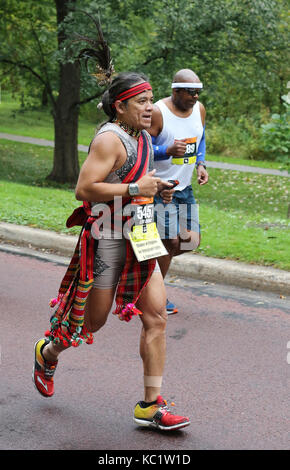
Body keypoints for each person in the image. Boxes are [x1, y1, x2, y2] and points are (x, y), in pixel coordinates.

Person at [32, 72, 190, 431]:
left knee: (156, 317)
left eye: (152, 100)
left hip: (143, 235)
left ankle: (150, 406)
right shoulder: (110, 139)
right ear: (120, 107)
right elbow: (84, 189)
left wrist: (156, 190)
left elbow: (138, 182)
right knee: (92, 322)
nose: (150, 108)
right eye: (142, 102)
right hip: (108, 237)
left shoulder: (144, 136)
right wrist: (137, 187)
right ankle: (48, 351)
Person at [148, 69, 209, 315]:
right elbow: (139, 149)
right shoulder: (157, 112)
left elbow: (200, 138)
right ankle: (154, 295)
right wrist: (166, 151)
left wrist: (201, 163)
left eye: (198, 92)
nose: (195, 97)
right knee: (169, 240)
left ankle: (143, 271)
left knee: (190, 240)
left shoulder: (199, 109)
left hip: (184, 188)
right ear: (175, 91)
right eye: (190, 92)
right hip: (159, 188)